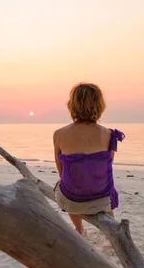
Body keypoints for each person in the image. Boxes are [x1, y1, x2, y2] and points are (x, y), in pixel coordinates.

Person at [53, 82, 125, 236]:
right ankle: (112, 233)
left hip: (73, 199)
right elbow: (108, 166)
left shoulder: (59, 134)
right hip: (101, 197)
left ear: (72, 105)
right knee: (104, 184)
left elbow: (61, 169)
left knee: (64, 182)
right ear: (100, 105)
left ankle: (79, 230)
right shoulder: (108, 134)